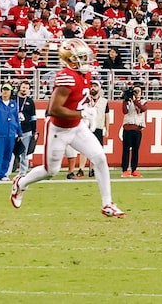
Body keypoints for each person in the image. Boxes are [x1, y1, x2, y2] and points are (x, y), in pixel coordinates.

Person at [9, 41, 123, 218]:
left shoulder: (85, 74)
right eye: (82, 57)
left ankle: (107, 203)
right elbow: (53, 109)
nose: (87, 60)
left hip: (76, 127)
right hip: (59, 129)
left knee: (99, 157)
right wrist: (82, 113)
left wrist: (87, 110)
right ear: (70, 61)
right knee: (50, 171)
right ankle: (21, 183)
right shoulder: (66, 76)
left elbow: (79, 98)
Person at [114, 83, 146, 179]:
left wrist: (135, 100)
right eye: (135, 91)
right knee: (126, 150)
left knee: (136, 150)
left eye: (138, 91)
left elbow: (143, 109)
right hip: (128, 128)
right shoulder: (128, 101)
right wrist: (126, 99)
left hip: (137, 128)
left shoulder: (143, 102)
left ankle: (134, 169)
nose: (136, 93)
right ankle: (124, 170)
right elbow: (125, 111)